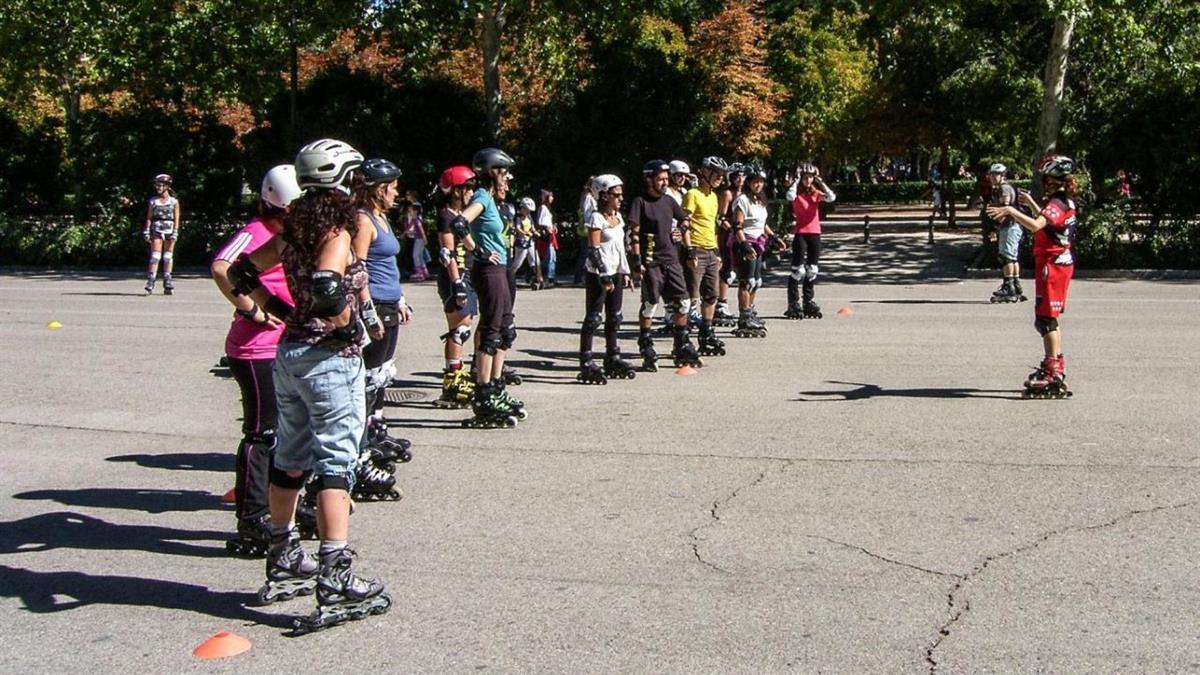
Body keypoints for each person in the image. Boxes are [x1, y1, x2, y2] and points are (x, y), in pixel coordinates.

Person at [227, 138, 391, 631]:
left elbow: (241, 270)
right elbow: (326, 284)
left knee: (290, 458)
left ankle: (282, 554)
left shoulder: (295, 225)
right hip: (328, 359)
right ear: (344, 179)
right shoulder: (338, 229)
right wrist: (345, 323)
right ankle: (335, 577)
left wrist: (279, 312)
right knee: (337, 462)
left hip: (290, 354)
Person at [211, 164, 302, 557]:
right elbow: (221, 267)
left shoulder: (292, 233)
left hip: (287, 343)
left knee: (291, 431)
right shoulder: (257, 231)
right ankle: (253, 519)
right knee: (262, 433)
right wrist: (252, 309)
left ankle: (289, 508)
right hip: (255, 348)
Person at [987, 155, 1078, 399]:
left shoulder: (1058, 203)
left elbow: (1037, 226)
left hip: (1053, 264)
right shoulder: (1061, 201)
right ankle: (1055, 364)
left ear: (1052, 178)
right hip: (1055, 263)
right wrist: (1030, 203)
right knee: (1046, 318)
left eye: (1045, 177)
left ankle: (1053, 369)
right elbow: (1049, 224)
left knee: (1046, 319)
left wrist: (1011, 210)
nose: (1044, 181)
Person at [351, 158, 413, 491]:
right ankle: (358, 455)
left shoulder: (381, 218)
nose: (398, 192)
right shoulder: (363, 220)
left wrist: (400, 299)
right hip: (373, 306)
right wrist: (368, 311)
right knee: (367, 380)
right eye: (393, 186)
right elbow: (358, 269)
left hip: (389, 303)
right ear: (379, 188)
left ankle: (374, 433)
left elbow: (388, 265)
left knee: (381, 376)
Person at [454, 147, 526, 427]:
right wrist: (479, 251)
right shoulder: (482, 197)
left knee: (506, 328)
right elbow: (460, 224)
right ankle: (483, 394)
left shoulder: (496, 202)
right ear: (493, 172)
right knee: (492, 329)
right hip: (489, 270)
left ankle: (496, 386)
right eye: (505, 173)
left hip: (503, 269)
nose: (508, 179)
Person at [628, 159, 699, 370]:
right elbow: (634, 233)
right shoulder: (640, 202)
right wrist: (636, 261)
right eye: (660, 179)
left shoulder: (669, 201)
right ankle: (646, 343)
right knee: (650, 304)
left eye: (667, 179)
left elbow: (686, 219)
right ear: (649, 179)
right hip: (651, 262)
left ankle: (680, 343)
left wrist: (682, 229)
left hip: (672, 259)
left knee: (683, 302)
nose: (664, 183)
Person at [576, 174, 636, 384]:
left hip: (616, 272)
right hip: (598, 274)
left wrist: (625, 271)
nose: (620, 198)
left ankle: (612, 356)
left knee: (615, 317)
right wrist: (603, 274)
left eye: (621, 194)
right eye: (615, 194)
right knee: (593, 318)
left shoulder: (617, 218)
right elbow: (593, 250)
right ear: (603, 195)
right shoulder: (596, 218)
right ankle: (586, 360)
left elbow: (620, 249)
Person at [434, 165, 480, 408]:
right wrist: (458, 283)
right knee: (459, 328)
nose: (472, 192)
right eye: (468, 188)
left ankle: (456, 376)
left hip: (468, 275)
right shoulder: (446, 216)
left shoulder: (462, 216)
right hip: (456, 277)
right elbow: (447, 253)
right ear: (456, 190)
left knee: (464, 326)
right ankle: (453, 379)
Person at [682, 156, 729, 357]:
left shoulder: (713, 198)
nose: (720, 178)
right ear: (705, 172)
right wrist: (689, 250)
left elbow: (713, 227)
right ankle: (682, 338)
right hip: (696, 250)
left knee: (711, 295)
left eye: (722, 175)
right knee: (691, 297)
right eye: (717, 174)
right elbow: (684, 223)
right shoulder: (693, 194)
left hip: (711, 250)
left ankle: (706, 333)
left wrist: (717, 251)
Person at [730, 166, 777, 338]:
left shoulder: (760, 200)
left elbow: (761, 224)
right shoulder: (742, 200)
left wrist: (773, 236)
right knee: (747, 281)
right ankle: (744, 316)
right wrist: (744, 245)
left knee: (756, 281)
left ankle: (750, 310)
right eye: (755, 181)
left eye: (761, 182)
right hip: (745, 241)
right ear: (749, 183)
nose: (758, 185)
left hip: (758, 242)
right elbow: (737, 225)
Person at [785, 163, 836, 319]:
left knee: (812, 270)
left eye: (810, 178)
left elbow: (831, 197)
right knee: (798, 270)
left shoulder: (815, 193)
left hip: (815, 233)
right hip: (801, 234)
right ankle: (793, 302)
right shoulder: (797, 194)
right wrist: (795, 181)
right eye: (805, 178)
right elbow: (789, 196)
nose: (808, 181)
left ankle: (808, 301)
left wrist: (820, 182)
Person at [985, 163, 1026, 303]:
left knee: (1006, 256)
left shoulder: (1004, 188)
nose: (991, 177)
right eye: (991, 174)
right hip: (1013, 226)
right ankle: (1015, 285)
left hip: (1009, 226)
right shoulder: (1006, 187)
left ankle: (1009, 287)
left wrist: (994, 229)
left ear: (1003, 175)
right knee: (1012, 257)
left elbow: (1004, 208)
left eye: (995, 174)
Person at [713, 162, 745, 327]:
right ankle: (721, 304)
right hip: (729, 236)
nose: (740, 179)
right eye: (736, 176)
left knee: (740, 270)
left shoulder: (746, 194)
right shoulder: (728, 193)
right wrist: (731, 230)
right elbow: (721, 217)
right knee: (728, 270)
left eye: (742, 175)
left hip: (742, 236)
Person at [142, 174, 180, 295]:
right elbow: (149, 217)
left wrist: (175, 231)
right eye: (156, 185)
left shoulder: (173, 201)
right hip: (157, 230)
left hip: (169, 230)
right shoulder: (153, 201)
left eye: (160, 185)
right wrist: (147, 230)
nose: (157, 188)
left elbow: (177, 218)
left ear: (167, 186)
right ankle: (151, 280)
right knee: (155, 256)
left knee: (168, 257)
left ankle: (168, 280)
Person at [510, 197, 544, 289]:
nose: (528, 212)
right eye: (527, 210)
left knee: (535, 260)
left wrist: (535, 232)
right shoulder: (518, 217)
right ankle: (509, 278)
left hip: (530, 242)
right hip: (521, 243)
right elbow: (517, 228)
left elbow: (532, 227)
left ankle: (539, 279)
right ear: (522, 208)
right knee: (518, 263)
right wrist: (525, 233)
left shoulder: (529, 217)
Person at [401, 194, 429, 281]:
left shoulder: (416, 219)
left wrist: (424, 238)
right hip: (418, 238)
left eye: (411, 210)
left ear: (415, 211)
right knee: (419, 255)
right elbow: (410, 229)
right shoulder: (414, 220)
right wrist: (405, 233)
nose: (410, 212)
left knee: (415, 255)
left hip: (419, 239)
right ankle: (425, 271)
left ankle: (419, 272)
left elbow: (420, 228)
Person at [535, 189, 558, 287]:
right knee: (550, 256)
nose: (552, 198)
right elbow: (542, 222)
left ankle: (550, 276)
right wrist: (549, 228)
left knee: (550, 256)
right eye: (551, 196)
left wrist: (553, 226)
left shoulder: (546, 208)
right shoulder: (543, 208)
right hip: (547, 235)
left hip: (550, 233)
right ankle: (549, 277)